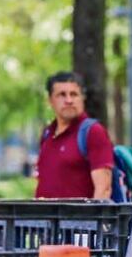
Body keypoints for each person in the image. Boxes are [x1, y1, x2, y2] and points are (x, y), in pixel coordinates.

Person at [35, 71, 114, 200]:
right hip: (44, 219)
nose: (69, 100)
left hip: (80, 219)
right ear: (50, 100)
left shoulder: (93, 132)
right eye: (62, 95)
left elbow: (103, 190)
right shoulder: (47, 133)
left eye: (74, 94)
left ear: (82, 98)